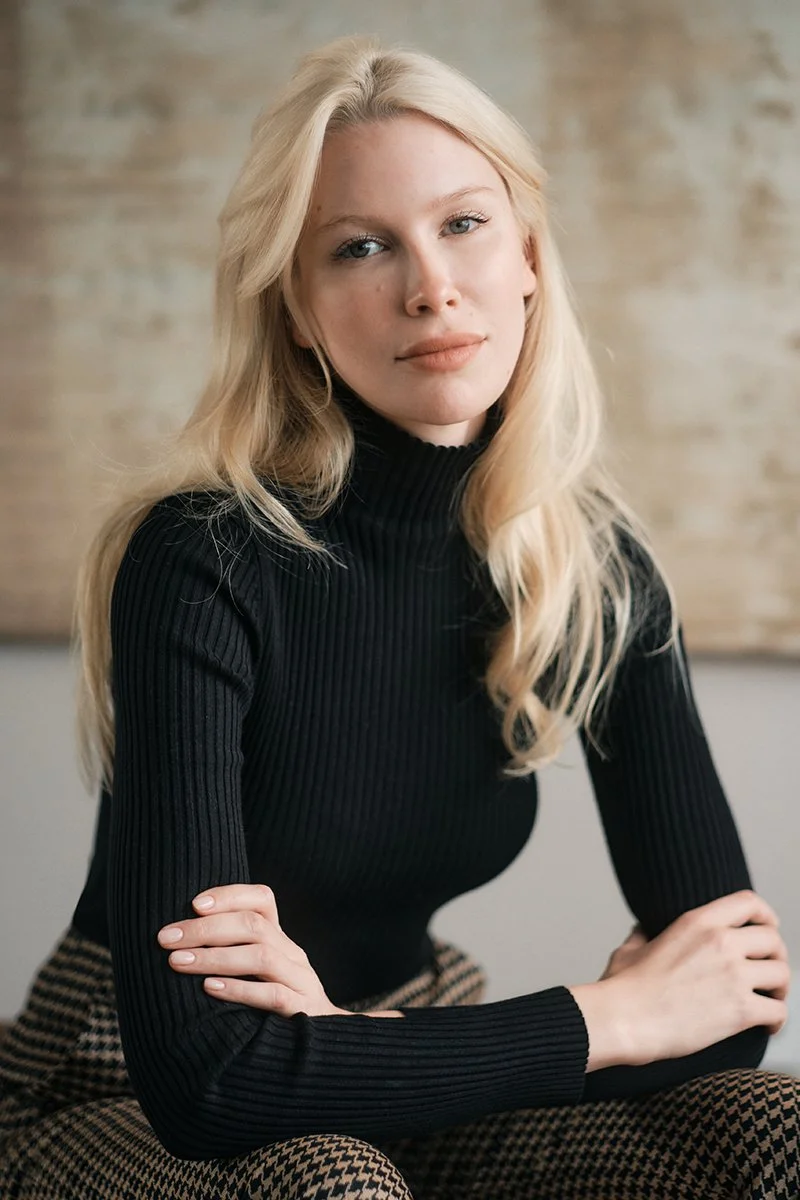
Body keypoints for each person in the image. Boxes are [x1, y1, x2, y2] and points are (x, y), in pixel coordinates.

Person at [1, 33, 797, 1200]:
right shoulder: (201, 555)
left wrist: (359, 1046)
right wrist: (612, 1016)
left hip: (408, 1047)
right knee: (334, 1184)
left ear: (528, 257)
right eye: (360, 247)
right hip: (120, 1083)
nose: (429, 287)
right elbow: (211, 1084)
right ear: (296, 310)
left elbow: (733, 1004)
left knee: (769, 1130)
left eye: (463, 224)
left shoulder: (595, 567)